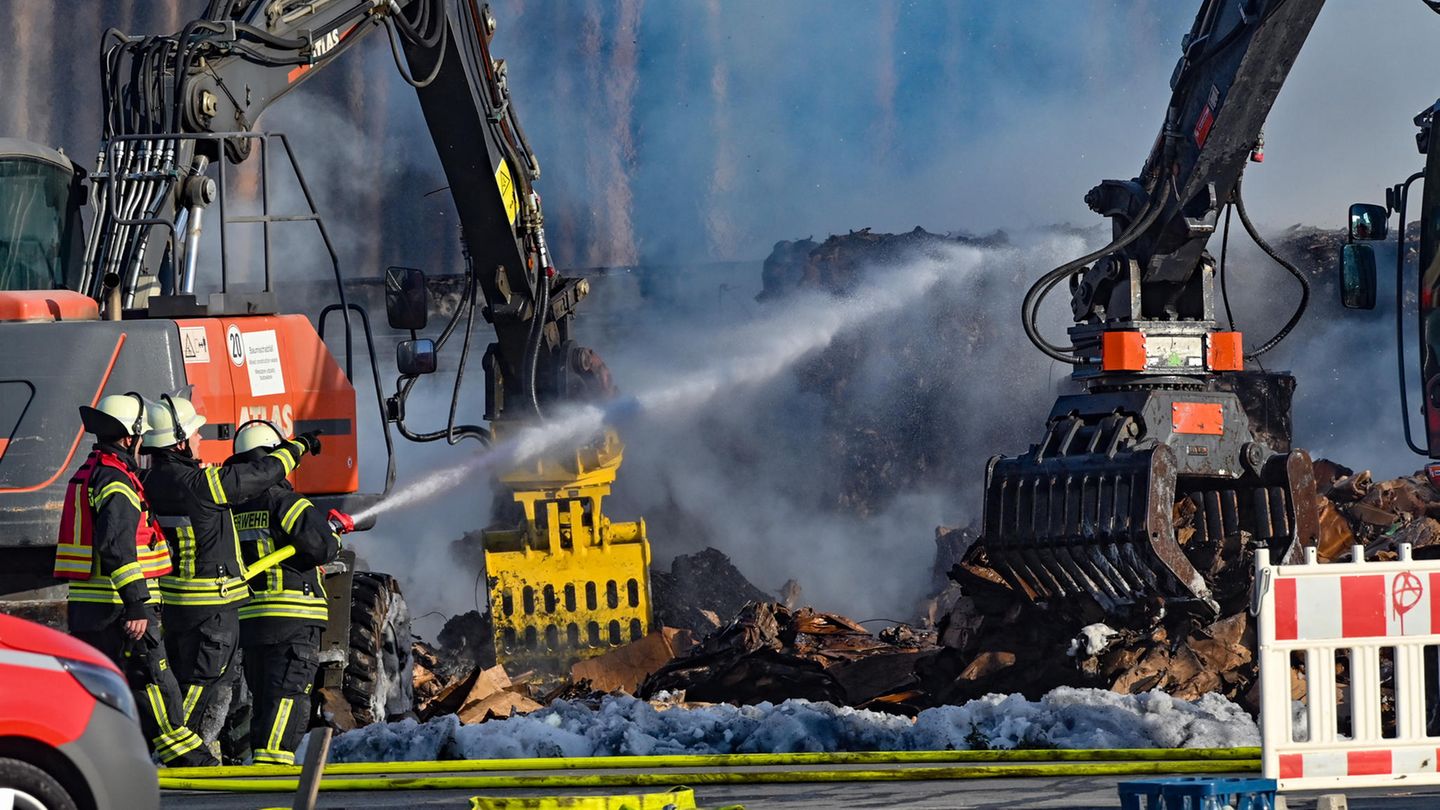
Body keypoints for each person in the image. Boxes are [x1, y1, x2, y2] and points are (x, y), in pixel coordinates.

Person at [140, 394, 321, 758]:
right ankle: (174, 752)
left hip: (176, 607)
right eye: (194, 433)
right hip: (212, 610)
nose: (200, 440)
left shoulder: (146, 482)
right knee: (198, 687)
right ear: (178, 440)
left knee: (188, 684)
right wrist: (297, 447)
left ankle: (181, 751)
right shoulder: (200, 485)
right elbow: (260, 475)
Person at [53, 393, 212, 765]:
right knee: (154, 679)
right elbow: (117, 549)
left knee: (106, 685)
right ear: (130, 438)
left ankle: (109, 760)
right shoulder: (117, 483)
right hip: (117, 604)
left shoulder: (90, 471)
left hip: (91, 606)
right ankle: (188, 760)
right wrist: (137, 604)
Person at [227, 421, 347, 765]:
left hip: (251, 623)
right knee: (288, 702)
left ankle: (261, 773)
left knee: (265, 703)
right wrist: (333, 532)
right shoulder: (286, 501)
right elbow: (324, 549)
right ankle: (272, 778)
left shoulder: (232, 509)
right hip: (293, 621)